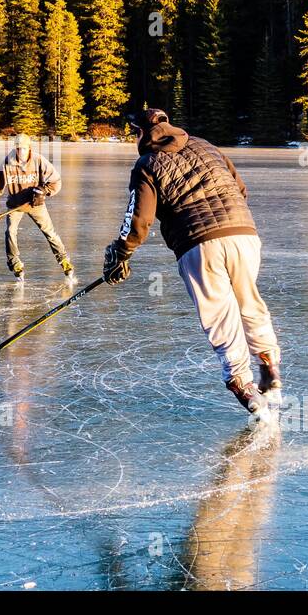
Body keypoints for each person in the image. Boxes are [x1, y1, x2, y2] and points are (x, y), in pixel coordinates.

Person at [103, 109, 283, 419]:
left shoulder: (147, 164)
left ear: (142, 134)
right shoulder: (205, 145)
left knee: (220, 315)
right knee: (249, 302)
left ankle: (244, 386)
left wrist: (121, 254)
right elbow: (240, 188)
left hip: (199, 244)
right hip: (244, 235)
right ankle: (270, 369)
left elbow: (139, 219)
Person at [0, 133, 74, 284]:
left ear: (29, 148)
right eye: (18, 149)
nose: (21, 152)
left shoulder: (38, 160)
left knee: (50, 233)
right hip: (15, 206)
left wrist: (43, 191)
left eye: (24, 149)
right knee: (10, 232)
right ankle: (16, 265)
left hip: (35, 205)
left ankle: (64, 261)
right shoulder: (7, 163)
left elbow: (56, 181)